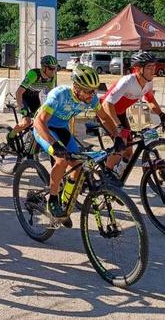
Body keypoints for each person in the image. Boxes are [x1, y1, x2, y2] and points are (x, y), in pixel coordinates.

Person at [33, 64, 121, 219]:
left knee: (78, 165)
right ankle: (52, 199)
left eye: (94, 90)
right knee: (61, 160)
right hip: (44, 128)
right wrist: (54, 144)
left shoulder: (91, 98)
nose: (91, 95)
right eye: (88, 91)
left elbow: (104, 118)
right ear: (76, 87)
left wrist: (117, 136)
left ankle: (65, 203)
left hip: (62, 129)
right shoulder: (59, 95)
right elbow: (39, 122)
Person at [101, 51, 165, 180]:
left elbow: (150, 100)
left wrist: (162, 115)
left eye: (154, 67)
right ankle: (106, 176)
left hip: (120, 113)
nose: (153, 70)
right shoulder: (127, 81)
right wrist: (119, 127)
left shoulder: (148, 82)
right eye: (149, 67)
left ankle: (116, 174)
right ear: (139, 69)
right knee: (121, 145)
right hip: (106, 113)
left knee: (129, 152)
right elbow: (107, 105)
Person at [7, 55, 58, 142]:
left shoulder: (52, 77)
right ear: (44, 68)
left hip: (34, 98)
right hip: (24, 97)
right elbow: (19, 92)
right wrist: (21, 107)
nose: (53, 71)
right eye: (51, 68)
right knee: (27, 121)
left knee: (42, 121)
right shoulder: (33, 74)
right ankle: (10, 136)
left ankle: (32, 142)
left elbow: (51, 95)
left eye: (55, 68)